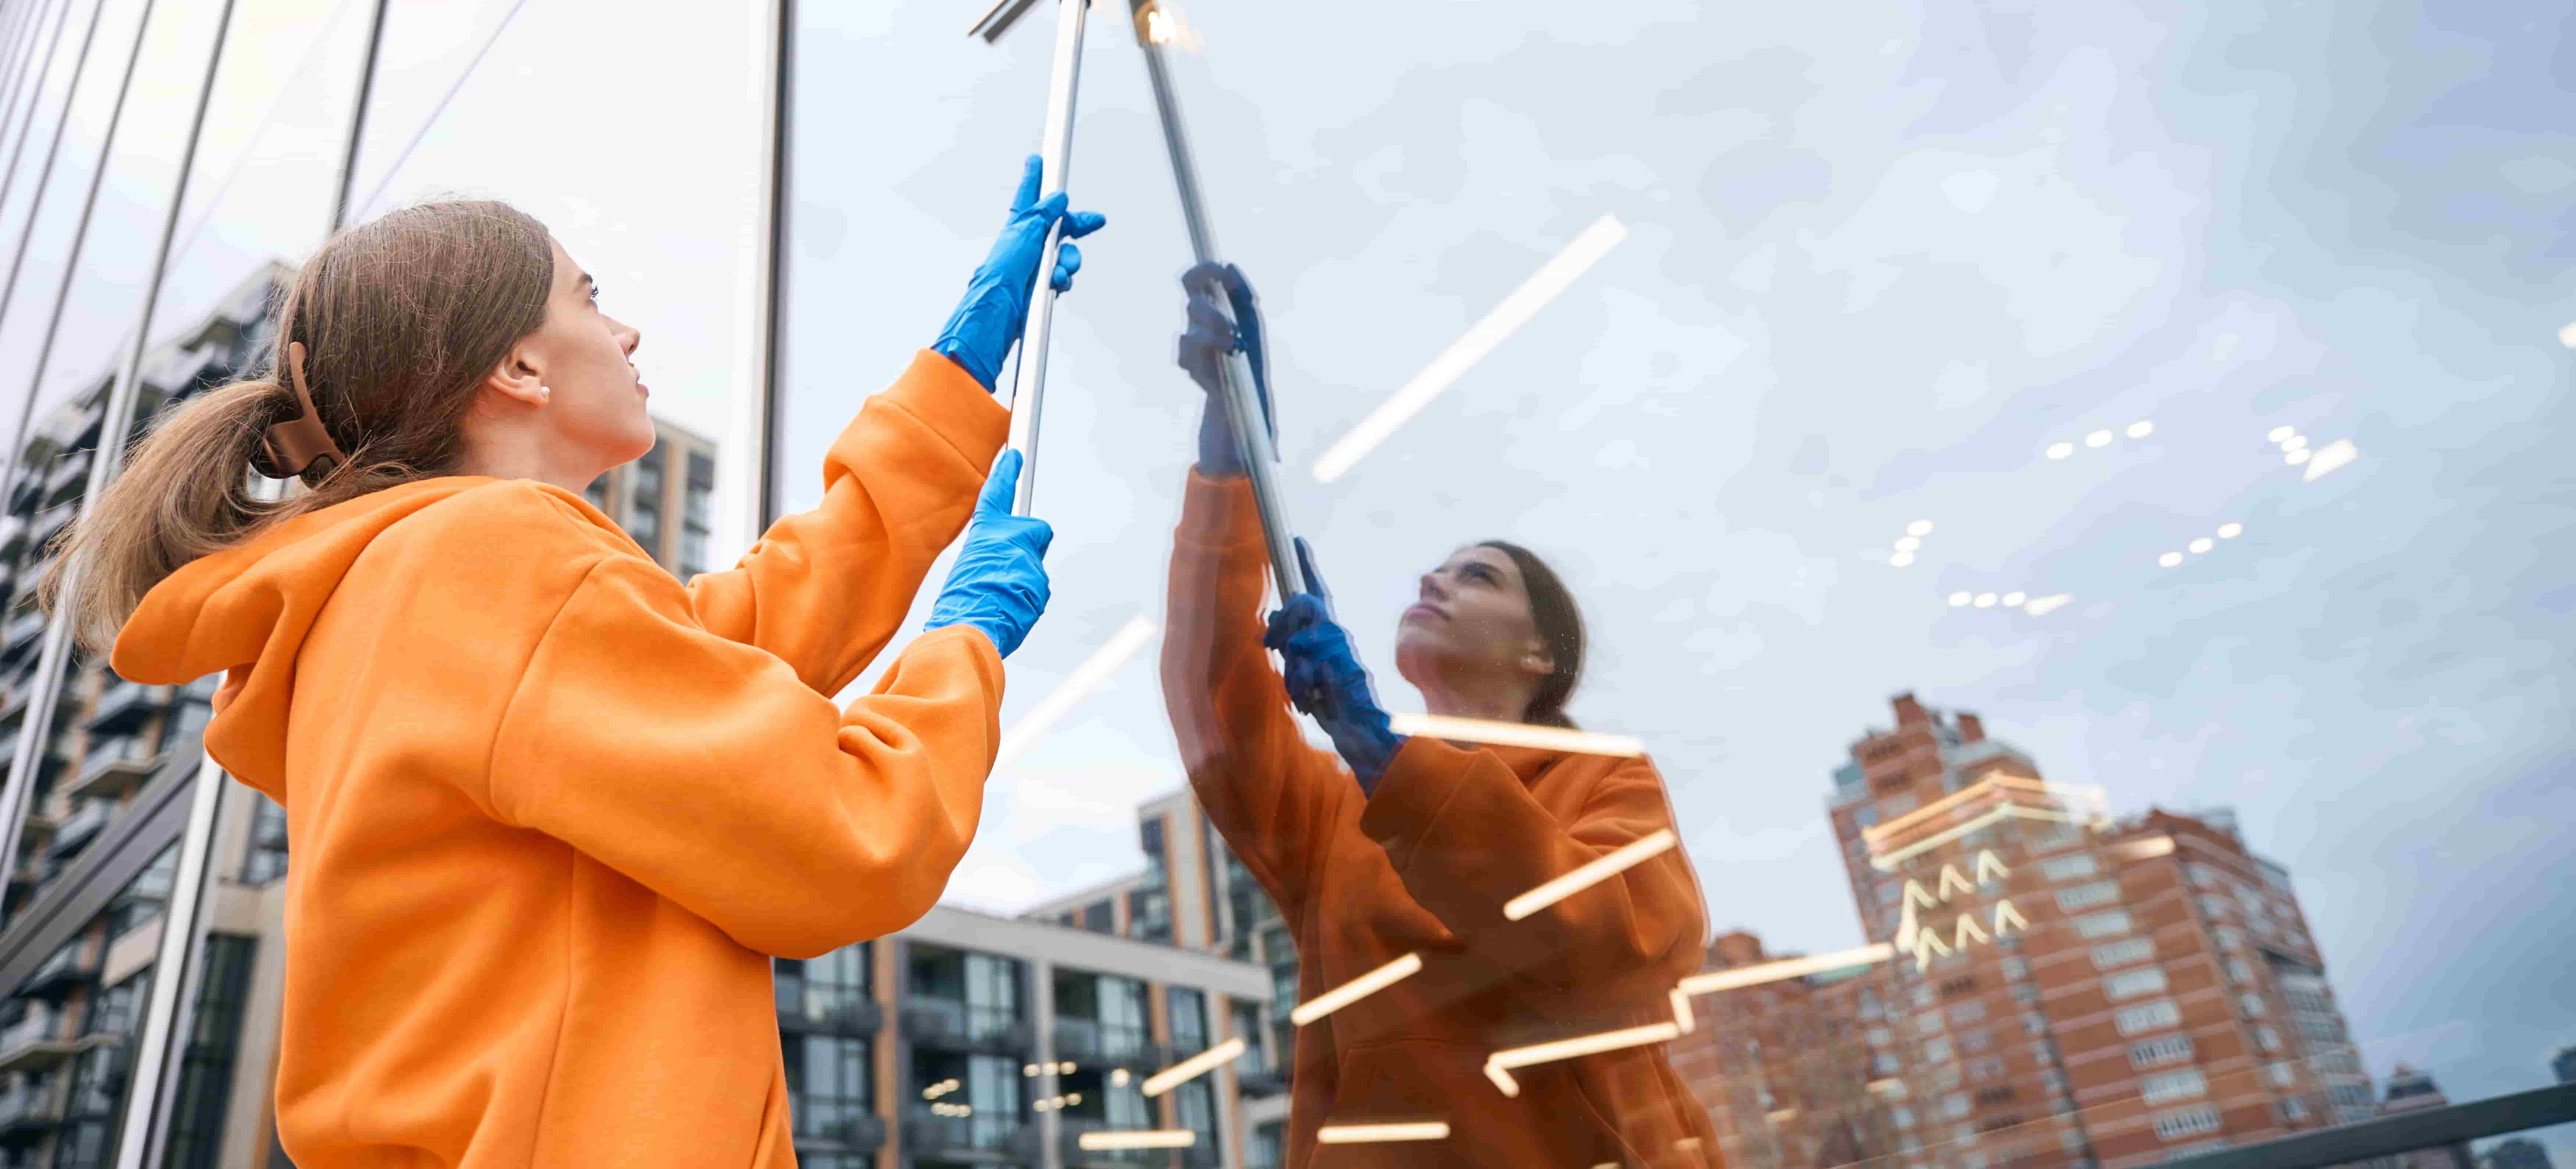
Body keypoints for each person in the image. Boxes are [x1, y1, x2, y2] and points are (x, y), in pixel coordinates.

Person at [42, 161, 1103, 1169]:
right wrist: (963, 642)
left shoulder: (400, 587)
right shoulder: (492, 558)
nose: (626, 330)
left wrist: (956, 380)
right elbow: (850, 832)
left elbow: (718, 653)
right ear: (520, 368)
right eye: (591, 300)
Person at [1163, 264, 1724, 1168]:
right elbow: (1214, 699)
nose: (1435, 579)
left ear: (1540, 657)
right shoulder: (1334, 816)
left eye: (1479, 575)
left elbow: (1613, 949)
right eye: (1439, 568)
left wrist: (1380, 748)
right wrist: (1232, 462)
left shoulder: (1604, 782)